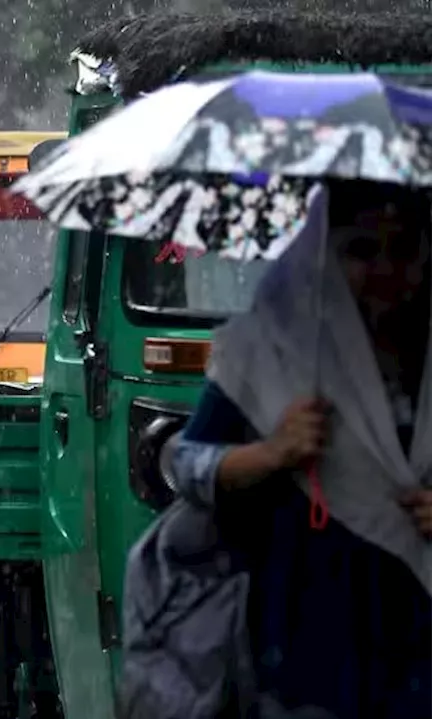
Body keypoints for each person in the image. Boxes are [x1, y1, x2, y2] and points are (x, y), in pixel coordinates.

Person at [168, 183, 432, 717]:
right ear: (322, 256)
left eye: (402, 250)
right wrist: (272, 453)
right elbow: (184, 464)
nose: (384, 271)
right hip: (308, 638)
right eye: (361, 251)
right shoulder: (270, 350)